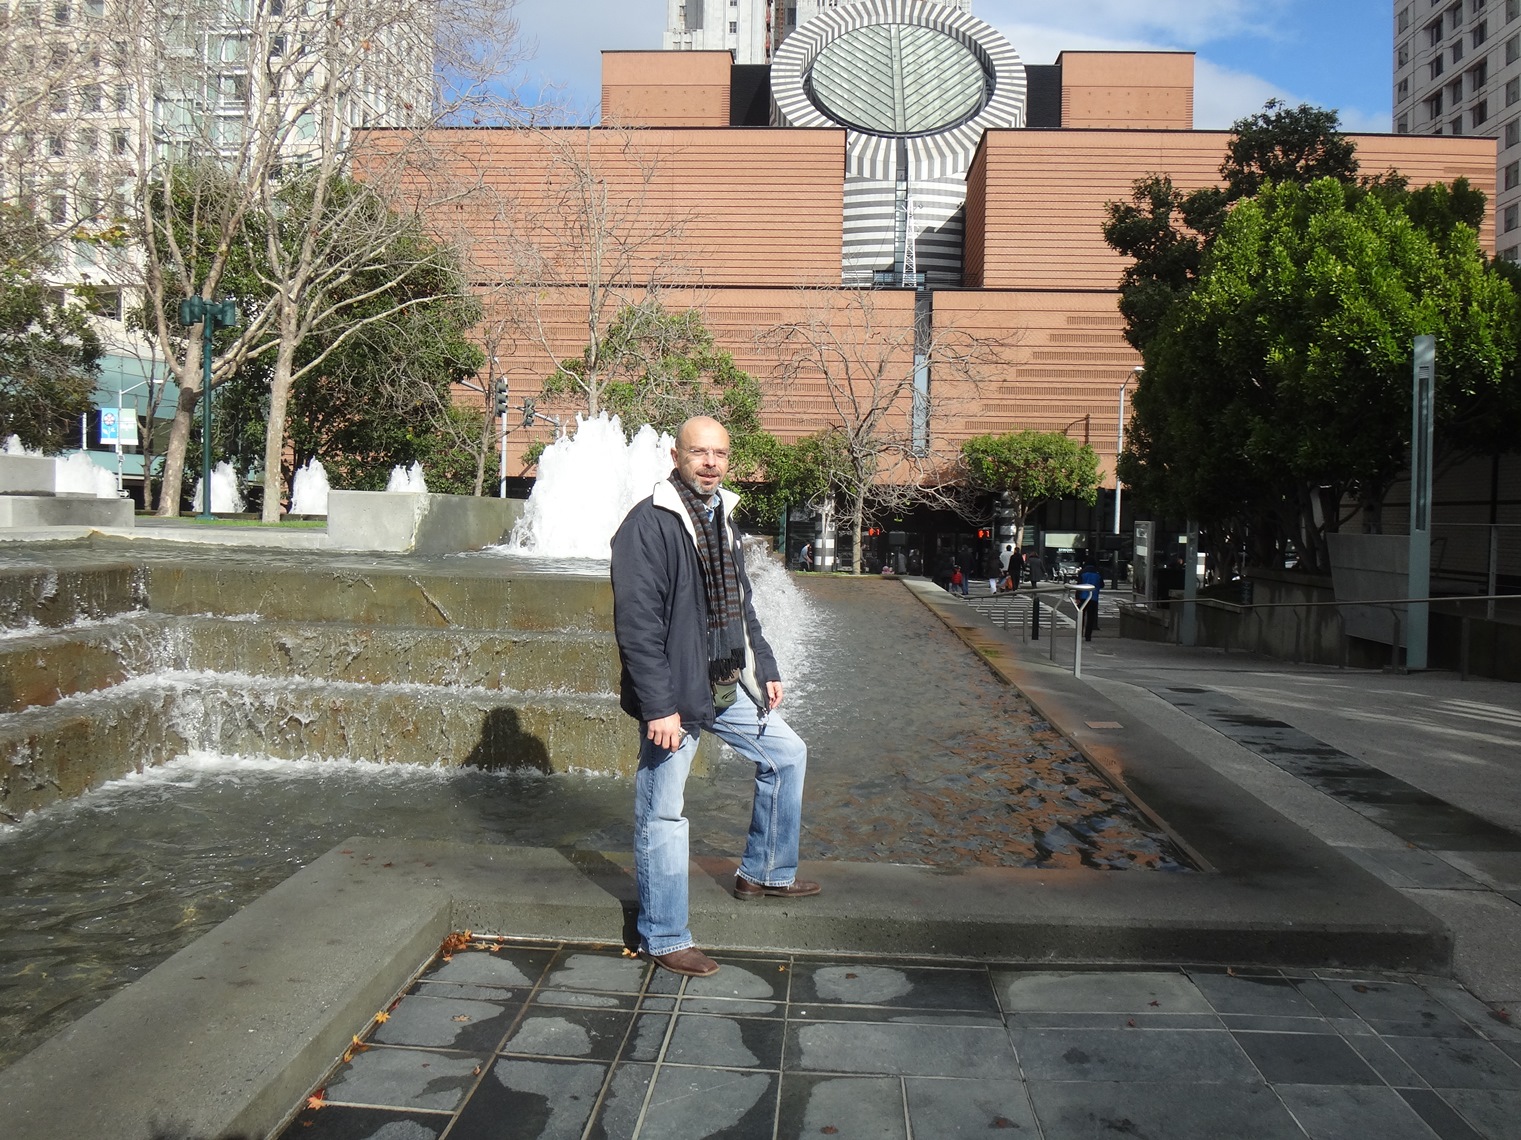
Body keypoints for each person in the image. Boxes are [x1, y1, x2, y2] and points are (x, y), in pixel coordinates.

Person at [610, 416, 818, 980]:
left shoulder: (721, 516)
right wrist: (658, 707)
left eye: (719, 454)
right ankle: (663, 935)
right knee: (663, 812)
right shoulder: (647, 525)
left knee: (787, 754)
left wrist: (765, 666)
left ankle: (765, 872)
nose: (710, 463)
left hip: (724, 684)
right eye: (699, 452)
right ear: (675, 456)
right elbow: (637, 626)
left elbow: (742, 604)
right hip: (676, 694)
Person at [1076, 561, 1103, 641]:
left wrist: (1077, 597)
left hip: (1083, 596)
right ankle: (1088, 636)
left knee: (1081, 615)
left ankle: (1079, 634)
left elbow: (1079, 585)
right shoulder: (1098, 573)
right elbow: (1102, 585)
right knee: (1090, 617)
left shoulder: (1082, 572)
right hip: (1093, 597)